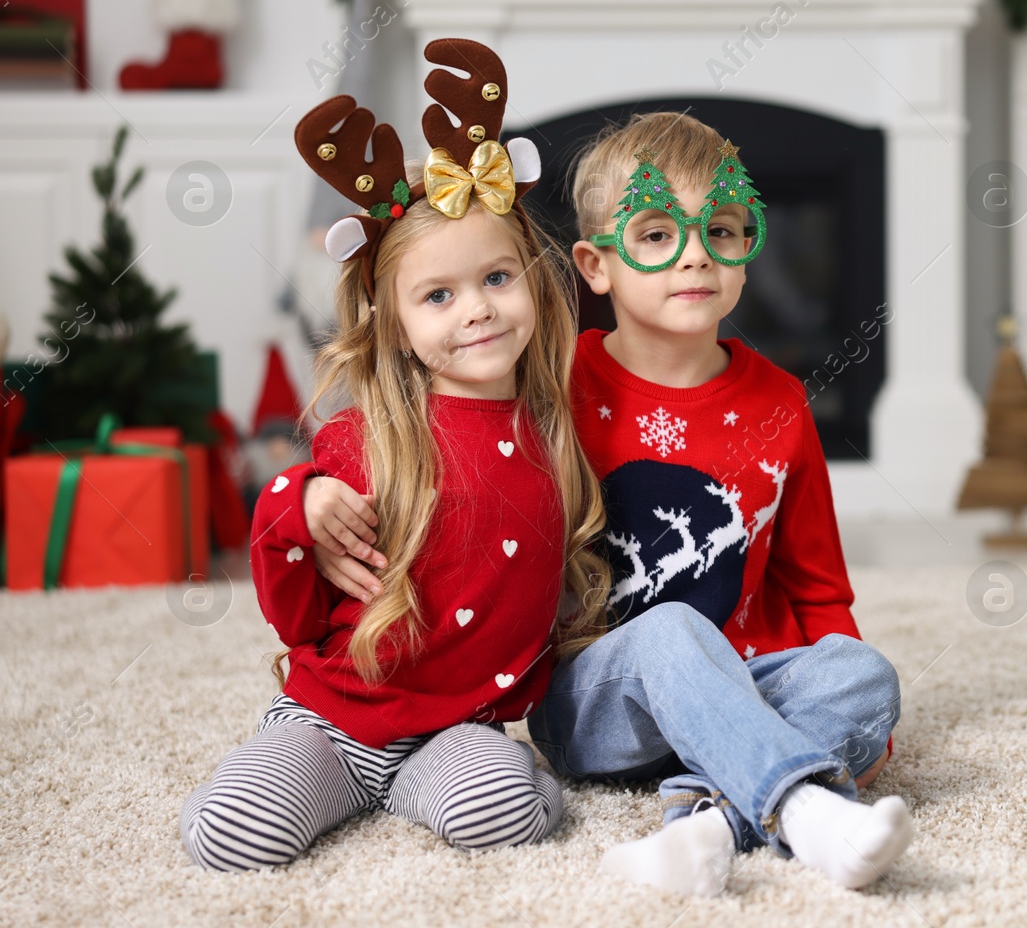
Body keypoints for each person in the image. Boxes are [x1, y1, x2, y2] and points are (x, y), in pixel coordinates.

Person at [310, 112, 909, 895]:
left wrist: (864, 719)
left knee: (865, 677)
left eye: (722, 230)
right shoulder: (551, 386)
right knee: (668, 632)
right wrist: (319, 491)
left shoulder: (782, 404)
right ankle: (804, 807)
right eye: (657, 235)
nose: (695, 253)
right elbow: (416, 424)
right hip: (596, 704)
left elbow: (819, 588)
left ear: (745, 252)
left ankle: (708, 823)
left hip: (748, 689)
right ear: (594, 265)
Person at [180, 40, 606, 871]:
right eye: (438, 296)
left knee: (509, 810)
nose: (476, 311)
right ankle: (285, 775)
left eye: (496, 278)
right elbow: (294, 603)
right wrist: (298, 503)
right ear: (396, 324)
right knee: (232, 836)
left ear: (534, 277)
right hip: (335, 719)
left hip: (458, 729)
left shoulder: (557, 427)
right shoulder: (371, 436)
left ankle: (425, 787)